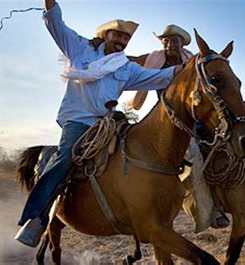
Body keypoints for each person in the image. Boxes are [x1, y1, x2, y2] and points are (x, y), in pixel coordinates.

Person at [14, 0, 182, 247]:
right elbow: (55, 24)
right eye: (118, 35)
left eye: (126, 39)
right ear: (105, 35)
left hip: (108, 122)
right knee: (67, 157)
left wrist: (190, 69)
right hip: (79, 121)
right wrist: (50, 4)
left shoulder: (124, 67)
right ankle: (36, 220)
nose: (122, 42)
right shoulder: (80, 48)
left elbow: (157, 77)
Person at [125, 25, 230, 230]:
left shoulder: (192, 60)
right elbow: (129, 60)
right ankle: (201, 209)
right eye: (166, 40)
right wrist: (108, 54)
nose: (170, 44)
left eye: (174, 40)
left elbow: (211, 66)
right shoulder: (153, 59)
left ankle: (225, 197)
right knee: (192, 154)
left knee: (220, 144)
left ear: (182, 44)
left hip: (195, 113)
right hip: (166, 116)